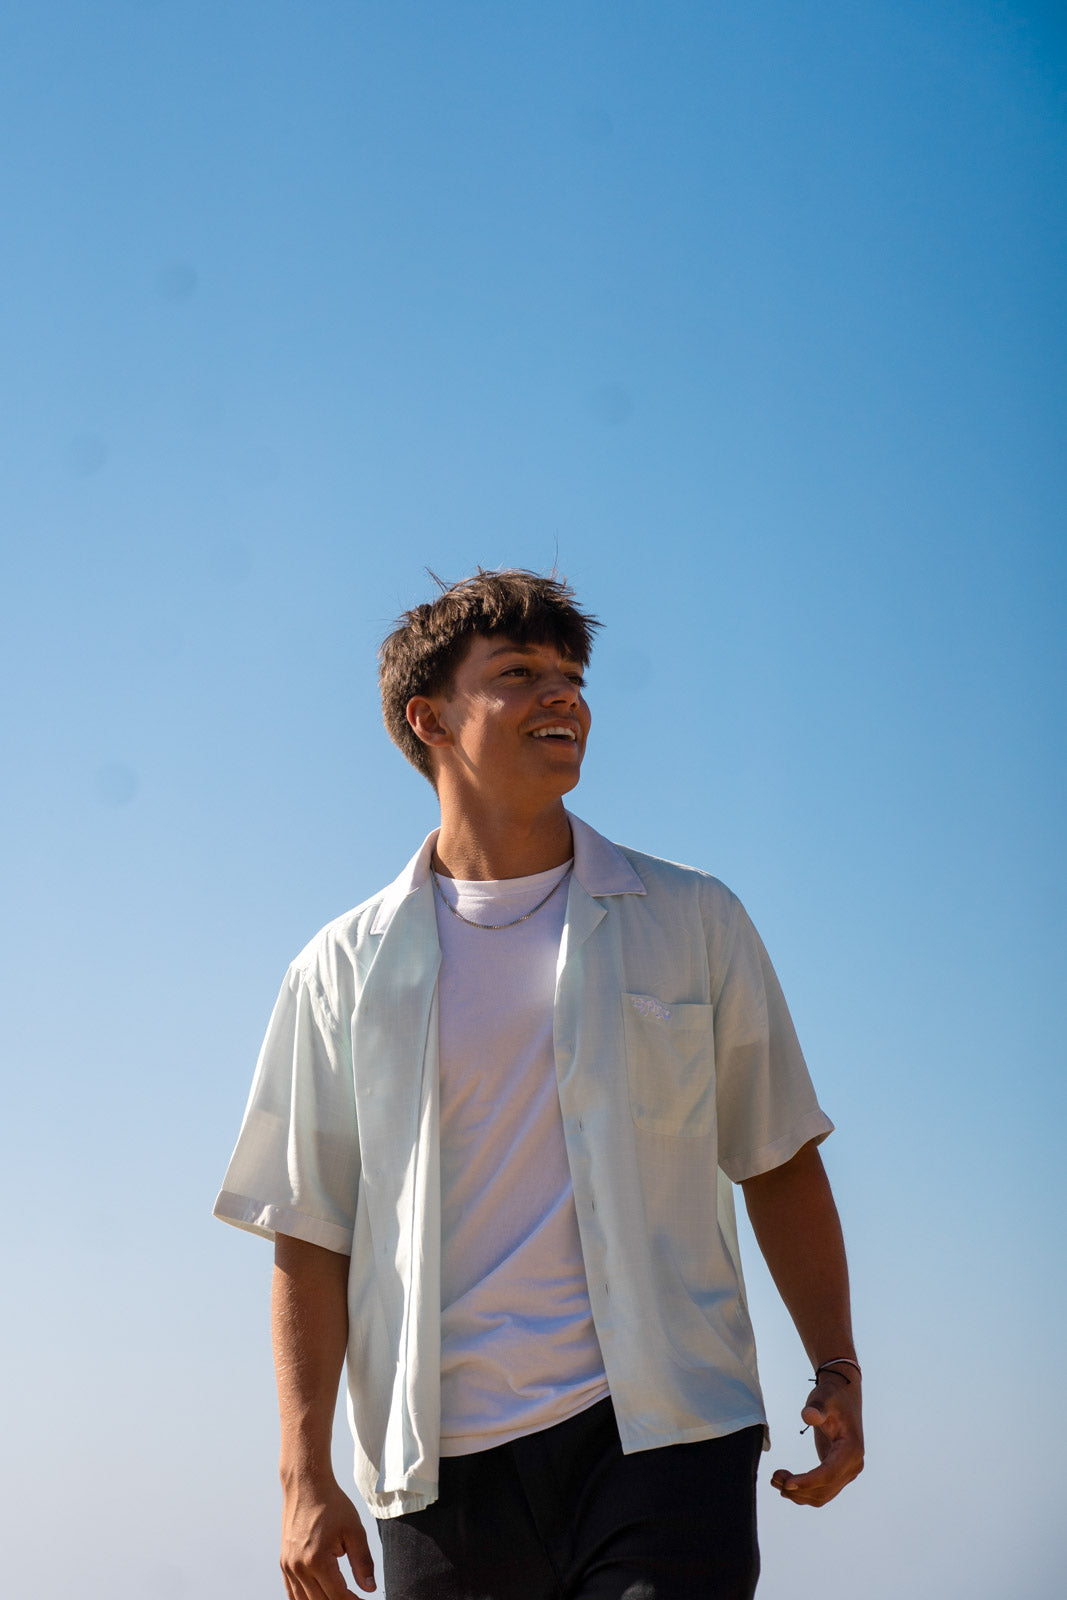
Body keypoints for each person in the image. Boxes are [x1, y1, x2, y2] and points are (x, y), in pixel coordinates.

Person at [214, 568, 863, 1600]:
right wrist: (302, 1474)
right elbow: (309, 1229)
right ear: (428, 718)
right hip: (439, 1473)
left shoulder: (691, 918)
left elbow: (775, 1152)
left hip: (667, 1435)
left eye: (570, 674)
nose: (562, 694)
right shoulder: (338, 970)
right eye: (519, 673)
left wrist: (835, 1365)